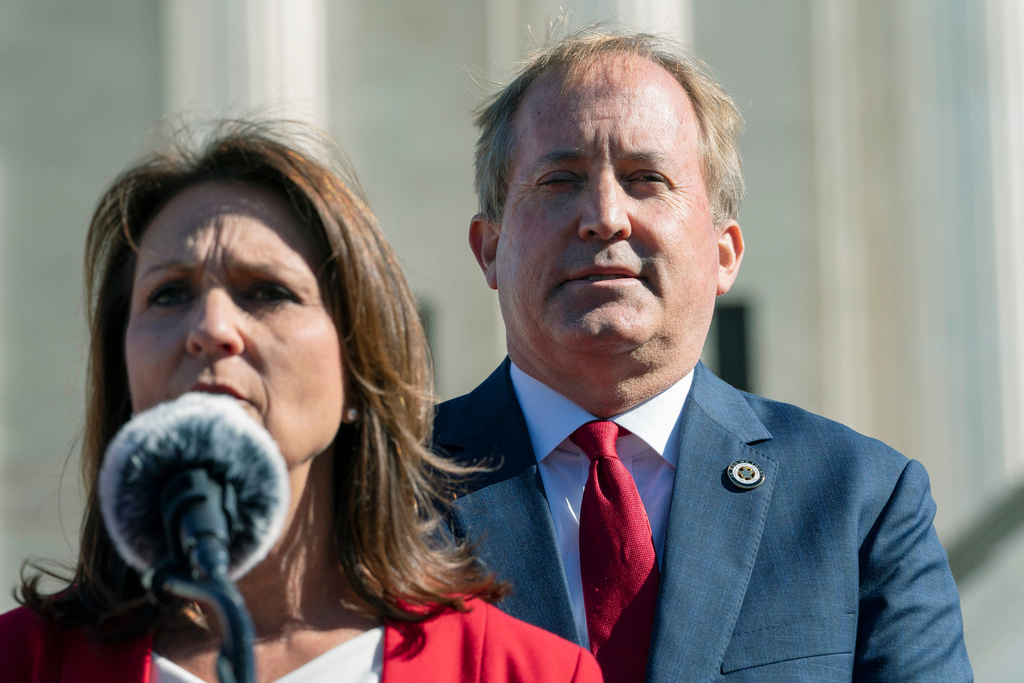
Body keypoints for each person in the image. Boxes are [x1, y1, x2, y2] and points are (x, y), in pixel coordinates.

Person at [435, 29, 973, 681]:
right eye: (559, 180)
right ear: (489, 248)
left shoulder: (860, 502)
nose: (605, 217)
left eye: (646, 178)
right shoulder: (373, 493)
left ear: (724, 253)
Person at [0, 121, 603, 683]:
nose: (211, 327)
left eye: (266, 291)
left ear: (358, 364)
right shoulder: (21, 661)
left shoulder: (523, 670)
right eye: (168, 295)